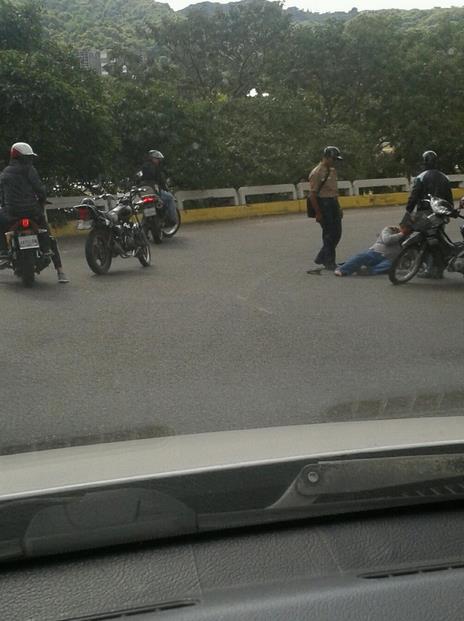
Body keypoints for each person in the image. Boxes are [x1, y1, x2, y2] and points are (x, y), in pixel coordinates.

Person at [0, 142, 69, 283]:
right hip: (32, 212)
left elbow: (2, 194)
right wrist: (42, 200)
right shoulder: (30, 170)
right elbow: (39, 189)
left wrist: (5, 206)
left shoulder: (5, 172)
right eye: (28, 157)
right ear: (22, 157)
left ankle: (3, 251)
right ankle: (60, 270)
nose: (29, 160)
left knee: (1, 227)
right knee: (47, 234)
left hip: (12, 213)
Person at [404, 150, 453, 279]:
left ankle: (429, 268)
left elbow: (414, 196)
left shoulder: (421, 176)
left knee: (426, 239)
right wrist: (449, 212)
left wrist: (408, 210)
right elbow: (449, 197)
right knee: (438, 240)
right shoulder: (445, 177)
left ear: (424, 162)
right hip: (441, 213)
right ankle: (438, 269)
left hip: (425, 213)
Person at [308, 146, 343, 271]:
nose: (335, 162)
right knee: (329, 234)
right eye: (333, 159)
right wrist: (318, 213)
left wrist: (338, 207)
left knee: (337, 233)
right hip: (324, 204)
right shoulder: (316, 172)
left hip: (333, 203)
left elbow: (334, 191)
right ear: (327, 157)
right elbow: (312, 195)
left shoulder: (332, 170)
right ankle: (329, 262)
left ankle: (322, 256)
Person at [334, 224, 410, 277]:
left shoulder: (409, 239)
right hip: (376, 252)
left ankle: (367, 271)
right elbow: (387, 240)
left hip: (389, 259)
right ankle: (343, 270)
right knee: (361, 256)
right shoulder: (390, 229)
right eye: (404, 227)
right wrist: (401, 234)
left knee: (389, 265)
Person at [140, 149, 178, 226]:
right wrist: (166, 189)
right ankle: (172, 220)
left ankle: (144, 225)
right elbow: (160, 181)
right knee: (170, 198)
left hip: (143, 192)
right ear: (152, 158)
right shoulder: (155, 168)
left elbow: (137, 179)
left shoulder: (142, 168)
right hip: (154, 192)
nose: (158, 161)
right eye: (157, 159)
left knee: (146, 207)